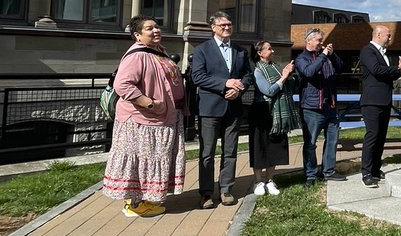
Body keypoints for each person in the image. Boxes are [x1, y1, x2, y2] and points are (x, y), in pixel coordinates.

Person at [102, 16, 188, 217]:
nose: (156, 30)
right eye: (149, 28)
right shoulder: (137, 55)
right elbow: (122, 85)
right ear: (137, 35)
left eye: (157, 27)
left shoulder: (159, 52)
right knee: (139, 159)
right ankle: (134, 204)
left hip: (161, 119)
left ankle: (145, 199)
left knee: (151, 158)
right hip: (142, 120)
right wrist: (148, 103)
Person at [191, 12, 252, 208]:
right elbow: (197, 77)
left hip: (233, 108)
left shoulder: (240, 51)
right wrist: (225, 83)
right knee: (207, 152)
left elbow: (248, 76)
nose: (227, 27)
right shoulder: (202, 50)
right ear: (213, 27)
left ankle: (226, 189)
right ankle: (206, 193)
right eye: (223, 25)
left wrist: (238, 89)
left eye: (229, 24)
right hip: (210, 109)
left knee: (230, 151)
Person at [359, 24, 401, 187]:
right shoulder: (368, 51)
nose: (390, 38)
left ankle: (376, 169)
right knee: (372, 135)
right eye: (388, 35)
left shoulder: (385, 54)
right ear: (378, 35)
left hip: (384, 100)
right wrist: (397, 67)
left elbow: (388, 75)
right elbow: (377, 71)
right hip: (372, 101)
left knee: (381, 137)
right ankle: (366, 172)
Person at [293, 27, 344, 184]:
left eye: (322, 40)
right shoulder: (301, 58)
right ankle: (310, 175)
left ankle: (328, 171)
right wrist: (323, 55)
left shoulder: (327, 57)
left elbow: (341, 68)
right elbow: (309, 73)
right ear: (309, 41)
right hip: (312, 108)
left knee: (332, 141)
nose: (322, 43)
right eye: (319, 40)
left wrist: (332, 54)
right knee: (311, 144)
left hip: (331, 107)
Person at [249, 40, 299, 196]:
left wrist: (289, 76)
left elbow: (286, 87)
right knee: (260, 147)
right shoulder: (257, 70)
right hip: (262, 112)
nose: (273, 51)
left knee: (275, 147)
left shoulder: (275, 67)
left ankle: (270, 180)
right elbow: (269, 91)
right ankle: (258, 182)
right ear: (260, 53)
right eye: (269, 49)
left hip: (277, 115)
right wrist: (283, 77)